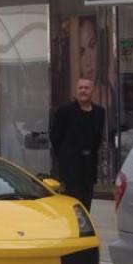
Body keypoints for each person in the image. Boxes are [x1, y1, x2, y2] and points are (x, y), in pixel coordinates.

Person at [49, 78, 105, 211]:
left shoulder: (99, 112)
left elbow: (97, 138)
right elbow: (55, 136)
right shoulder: (65, 111)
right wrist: (65, 156)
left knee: (86, 201)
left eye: (86, 88)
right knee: (73, 201)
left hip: (89, 164)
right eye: (81, 88)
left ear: (92, 90)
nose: (83, 91)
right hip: (71, 166)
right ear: (76, 90)